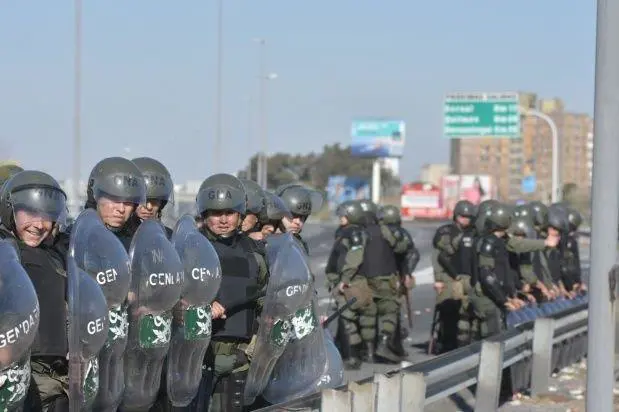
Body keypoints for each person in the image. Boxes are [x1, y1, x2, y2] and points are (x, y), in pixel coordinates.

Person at [192, 173, 269, 412]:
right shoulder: (190, 249)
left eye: (229, 213)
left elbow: (265, 296)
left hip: (239, 357)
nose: (223, 220)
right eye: (216, 213)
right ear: (205, 215)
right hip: (198, 357)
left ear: (240, 215)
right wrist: (204, 303)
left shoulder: (255, 254)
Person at [0, 170, 69, 411]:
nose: (39, 225)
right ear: (10, 210)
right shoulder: (5, 255)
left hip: (62, 378)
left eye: (47, 216)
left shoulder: (59, 254)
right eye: (29, 213)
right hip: (21, 375)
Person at [326, 200, 376, 368]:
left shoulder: (354, 233)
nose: (340, 217)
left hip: (352, 282)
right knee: (348, 318)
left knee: (348, 319)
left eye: (344, 214)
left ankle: (353, 357)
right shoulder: (345, 232)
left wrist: (344, 280)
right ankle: (354, 354)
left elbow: (354, 258)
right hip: (345, 280)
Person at [83, 157, 147, 250]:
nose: (121, 209)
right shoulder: (73, 241)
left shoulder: (139, 245)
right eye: (114, 199)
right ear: (95, 197)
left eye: (128, 202)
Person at [130, 156, 175, 237]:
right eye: (143, 200)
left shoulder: (168, 237)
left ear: (162, 204)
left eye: (155, 201)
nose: (149, 207)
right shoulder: (115, 238)